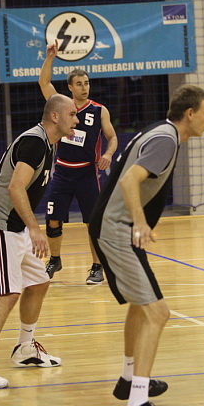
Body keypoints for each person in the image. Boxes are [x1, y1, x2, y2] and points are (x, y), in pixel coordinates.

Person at [89, 84, 204, 406]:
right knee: (158, 313)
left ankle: (129, 380)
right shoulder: (166, 140)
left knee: (140, 306)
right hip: (118, 229)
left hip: (116, 227)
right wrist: (140, 222)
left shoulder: (162, 132)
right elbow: (130, 181)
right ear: (190, 113)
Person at [0, 44, 78, 388]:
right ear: (56, 117)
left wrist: (49, 60)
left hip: (15, 227)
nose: (77, 119)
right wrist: (36, 228)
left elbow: (47, 87)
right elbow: (16, 188)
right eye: (73, 114)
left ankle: (25, 348)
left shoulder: (51, 140)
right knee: (8, 292)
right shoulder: (34, 142)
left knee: (39, 282)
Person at [38, 55, 118, 285]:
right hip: (63, 171)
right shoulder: (62, 107)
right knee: (53, 219)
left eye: (87, 83)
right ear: (70, 87)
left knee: (93, 222)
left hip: (87, 173)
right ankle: (54, 260)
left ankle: (97, 266)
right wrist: (50, 57)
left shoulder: (99, 110)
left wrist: (108, 154)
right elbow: (44, 83)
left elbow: (112, 138)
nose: (85, 87)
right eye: (80, 84)